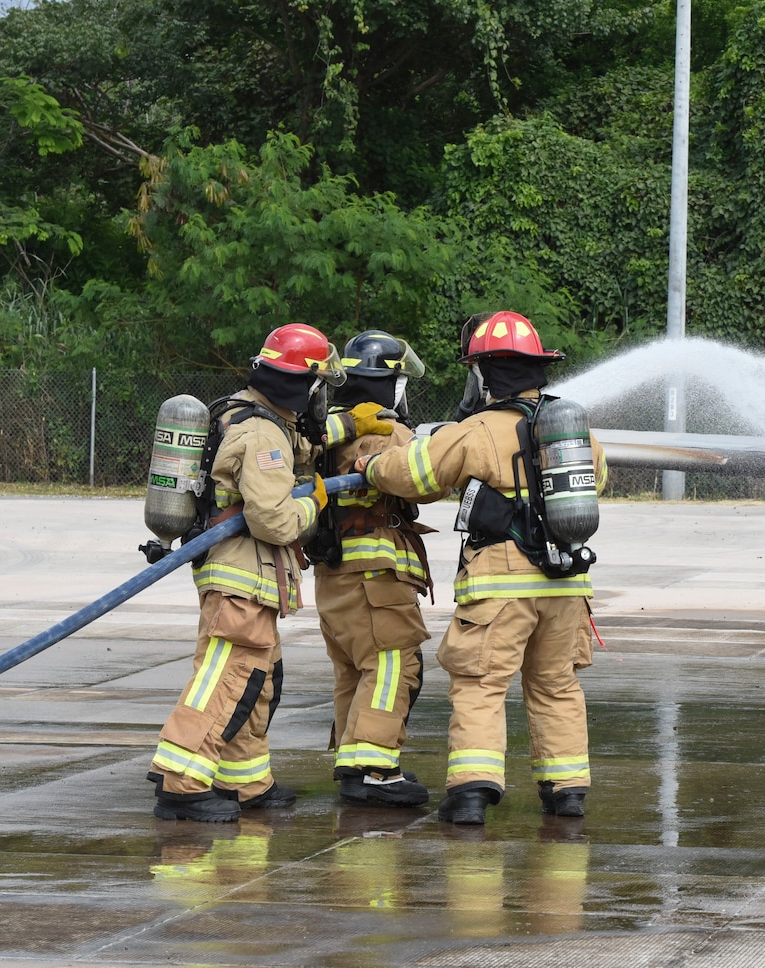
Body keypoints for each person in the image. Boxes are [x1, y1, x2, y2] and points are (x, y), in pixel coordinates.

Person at [356, 311, 606, 825]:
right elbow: (594, 481)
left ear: (484, 372)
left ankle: (471, 793)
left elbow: (416, 474)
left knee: (480, 683)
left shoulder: (476, 430)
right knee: (557, 684)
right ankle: (568, 792)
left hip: (500, 585)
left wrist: (370, 466)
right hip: (567, 584)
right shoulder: (574, 429)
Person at [148, 323, 341, 822]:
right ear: (306, 385)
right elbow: (274, 519)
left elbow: (297, 452)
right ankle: (183, 782)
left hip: (245, 577)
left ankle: (246, 779)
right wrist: (313, 506)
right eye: (319, 387)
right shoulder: (261, 434)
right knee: (225, 679)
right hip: (242, 578)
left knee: (256, 680)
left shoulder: (248, 415)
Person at [314, 330, 446, 807]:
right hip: (375, 577)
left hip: (335, 576)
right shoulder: (384, 429)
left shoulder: (327, 427)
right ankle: (373, 768)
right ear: (386, 383)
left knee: (354, 669)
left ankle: (355, 758)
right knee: (393, 663)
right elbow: (426, 482)